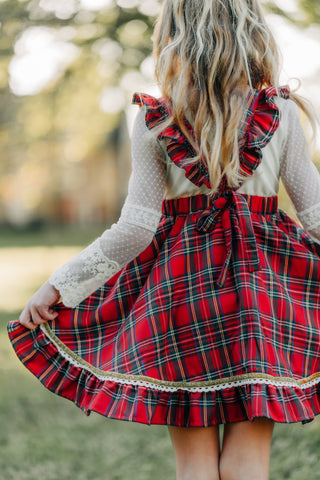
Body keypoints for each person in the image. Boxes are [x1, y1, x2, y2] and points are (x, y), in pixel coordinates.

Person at [7, 1, 320, 479]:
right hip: (262, 297)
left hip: (180, 298)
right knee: (248, 461)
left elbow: (135, 227)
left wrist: (60, 286)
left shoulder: (158, 120)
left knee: (193, 465)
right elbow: (315, 214)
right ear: (251, 32)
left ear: (172, 37)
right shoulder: (278, 113)